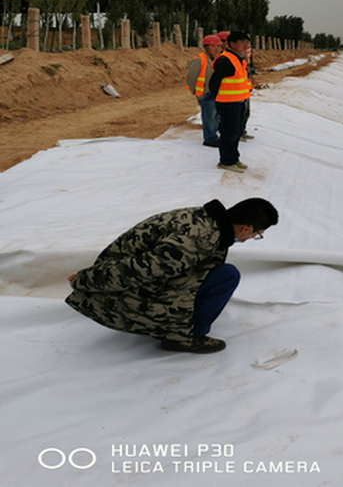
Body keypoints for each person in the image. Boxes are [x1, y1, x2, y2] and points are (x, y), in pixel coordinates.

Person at [65, 197, 279, 354]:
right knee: (227, 276)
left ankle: (179, 327)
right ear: (245, 229)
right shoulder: (199, 238)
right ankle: (185, 338)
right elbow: (141, 269)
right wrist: (85, 280)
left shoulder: (208, 221)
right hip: (117, 299)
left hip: (126, 284)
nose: (253, 238)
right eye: (256, 234)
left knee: (213, 272)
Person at [209, 31, 253, 173]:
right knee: (229, 133)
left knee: (237, 132)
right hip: (228, 103)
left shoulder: (238, 58)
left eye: (247, 42)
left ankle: (234, 158)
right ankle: (226, 161)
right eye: (242, 42)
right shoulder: (225, 60)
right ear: (232, 44)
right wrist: (218, 97)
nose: (246, 45)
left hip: (238, 102)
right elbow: (214, 83)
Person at [186, 35, 222, 147]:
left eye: (218, 46)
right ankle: (210, 139)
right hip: (205, 94)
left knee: (216, 116)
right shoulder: (199, 60)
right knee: (209, 117)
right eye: (213, 46)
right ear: (206, 47)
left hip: (215, 93)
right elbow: (191, 77)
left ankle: (213, 136)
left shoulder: (216, 59)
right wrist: (196, 92)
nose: (217, 49)